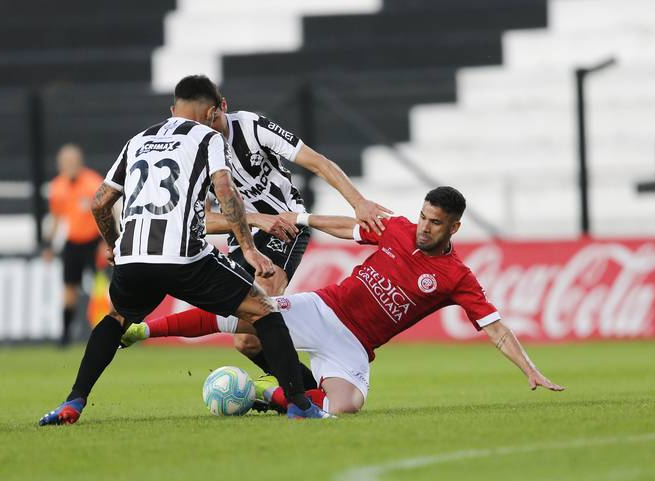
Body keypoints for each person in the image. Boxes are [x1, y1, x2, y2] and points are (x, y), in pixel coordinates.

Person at [39, 76, 332, 426]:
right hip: (184, 256)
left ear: (172, 110)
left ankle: (73, 403)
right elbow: (225, 190)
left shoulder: (139, 140)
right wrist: (249, 249)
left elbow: (101, 201)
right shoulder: (208, 137)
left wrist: (114, 243)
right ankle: (301, 405)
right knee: (264, 312)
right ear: (211, 111)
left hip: (134, 256)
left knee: (116, 319)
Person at [122, 186, 564, 414]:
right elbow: (345, 227)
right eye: (424, 217)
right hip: (325, 309)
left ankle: (265, 396)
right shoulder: (396, 229)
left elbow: (496, 328)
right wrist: (301, 218)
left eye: (435, 223)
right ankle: (146, 329)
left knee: (343, 408)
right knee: (249, 313)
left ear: (455, 228)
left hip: (354, 346)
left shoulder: (456, 277)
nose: (424, 228)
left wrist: (531, 370)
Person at [122, 74, 392, 389]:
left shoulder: (252, 127)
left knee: (262, 306)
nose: (207, 126)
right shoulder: (190, 152)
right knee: (246, 342)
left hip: (287, 225)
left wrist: (358, 203)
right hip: (244, 238)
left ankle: (306, 387)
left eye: (213, 117)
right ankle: (307, 391)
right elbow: (199, 219)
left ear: (222, 106)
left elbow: (317, 162)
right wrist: (255, 219)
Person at [43, 143, 104, 346]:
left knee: (102, 288)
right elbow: (55, 218)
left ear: (80, 162)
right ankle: (65, 334)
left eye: (72, 161)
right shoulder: (57, 187)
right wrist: (48, 245)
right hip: (73, 242)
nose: (69, 165)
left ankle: (110, 331)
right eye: (65, 161)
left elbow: (106, 213)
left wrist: (107, 242)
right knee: (69, 289)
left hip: (94, 241)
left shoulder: (93, 182)